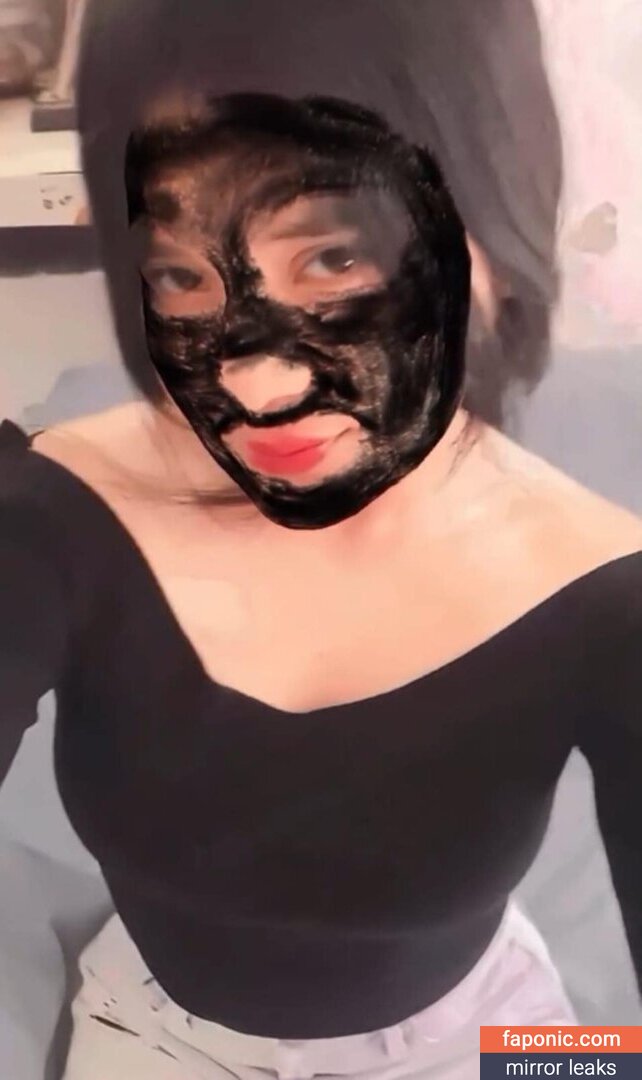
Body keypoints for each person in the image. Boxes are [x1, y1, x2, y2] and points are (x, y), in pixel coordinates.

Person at [1, 1, 641, 1077]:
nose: (253, 385)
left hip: (483, 1037)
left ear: (498, 230)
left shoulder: (605, 597)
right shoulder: (58, 511)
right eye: (181, 277)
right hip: (155, 1033)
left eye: (337, 259)